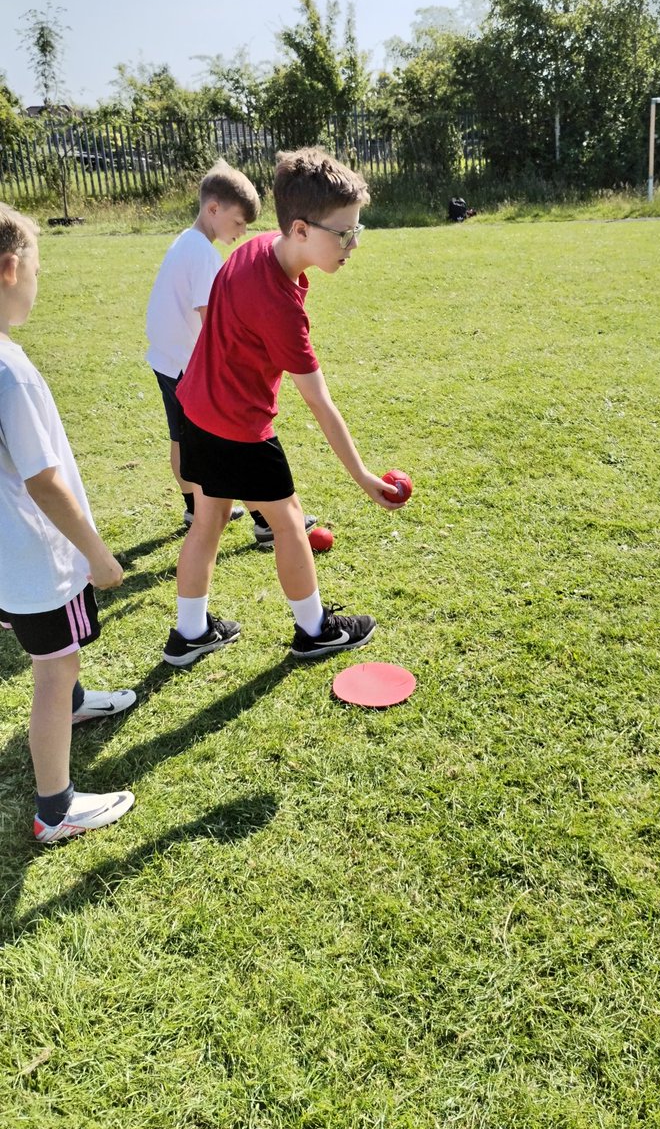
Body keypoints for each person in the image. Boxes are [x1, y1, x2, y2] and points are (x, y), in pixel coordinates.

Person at [163, 147, 403, 666]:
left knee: (208, 521)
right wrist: (363, 477)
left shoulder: (257, 248)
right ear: (299, 229)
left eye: (357, 230)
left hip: (197, 408)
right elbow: (320, 403)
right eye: (343, 233)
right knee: (290, 521)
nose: (353, 243)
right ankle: (315, 631)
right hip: (236, 427)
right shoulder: (281, 308)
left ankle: (189, 633)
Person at [0, 205, 135, 843]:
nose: (37, 279)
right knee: (55, 667)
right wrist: (98, 555)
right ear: (9, 269)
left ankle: (76, 707)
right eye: (37, 265)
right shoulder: (9, 371)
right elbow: (44, 481)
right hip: (36, 559)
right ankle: (56, 808)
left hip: (9, 561)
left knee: (58, 659)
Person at [145, 159, 315, 546]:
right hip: (190, 367)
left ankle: (195, 506)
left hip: (168, 361)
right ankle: (265, 521)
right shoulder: (203, 255)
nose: (242, 233)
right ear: (213, 209)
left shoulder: (185, 241)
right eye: (239, 222)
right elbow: (213, 323)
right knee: (234, 443)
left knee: (184, 440)